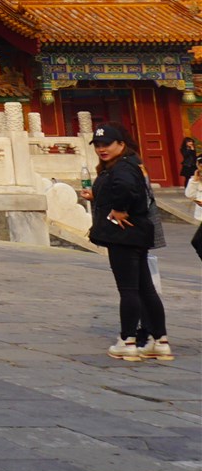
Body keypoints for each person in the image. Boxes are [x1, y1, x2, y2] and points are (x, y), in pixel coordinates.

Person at [81, 124, 170, 361]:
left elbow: (127, 188)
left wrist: (119, 209)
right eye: (98, 145)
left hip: (124, 236)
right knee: (145, 288)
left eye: (107, 144)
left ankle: (128, 340)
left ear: (121, 144)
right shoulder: (129, 164)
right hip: (137, 234)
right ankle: (160, 341)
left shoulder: (123, 167)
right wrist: (98, 195)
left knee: (128, 290)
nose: (101, 149)